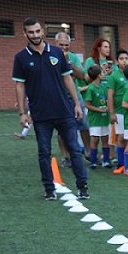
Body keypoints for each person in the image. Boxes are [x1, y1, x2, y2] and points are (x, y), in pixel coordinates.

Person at [12, 17, 89, 200]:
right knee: (44, 152)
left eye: (38, 31)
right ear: (25, 34)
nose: (35, 35)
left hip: (64, 111)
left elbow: (68, 78)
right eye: (31, 32)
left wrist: (77, 103)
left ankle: (83, 187)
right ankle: (49, 190)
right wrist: (22, 112)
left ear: (43, 31)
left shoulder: (57, 52)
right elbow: (20, 86)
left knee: (75, 149)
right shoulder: (20, 58)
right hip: (40, 115)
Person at [54, 32, 90, 164]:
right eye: (61, 45)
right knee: (62, 128)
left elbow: (81, 76)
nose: (63, 48)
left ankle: (88, 151)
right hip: (58, 98)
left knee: (84, 124)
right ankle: (65, 157)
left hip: (75, 97)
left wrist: (69, 63)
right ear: (55, 44)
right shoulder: (50, 56)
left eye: (66, 45)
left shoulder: (73, 57)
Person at [106, 49, 128, 173]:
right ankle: (121, 164)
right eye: (121, 59)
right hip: (119, 112)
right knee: (121, 138)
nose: (124, 61)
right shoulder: (114, 76)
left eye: (126, 58)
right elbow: (110, 95)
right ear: (117, 61)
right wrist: (112, 112)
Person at [82, 64, 112, 169]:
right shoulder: (91, 88)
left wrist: (108, 106)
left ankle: (106, 161)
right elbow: (87, 105)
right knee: (94, 139)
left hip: (104, 118)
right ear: (99, 75)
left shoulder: (104, 86)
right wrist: (99, 109)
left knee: (105, 139)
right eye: (102, 73)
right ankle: (93, 161)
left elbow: (109, 98)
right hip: (95, 119)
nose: (104, 74)